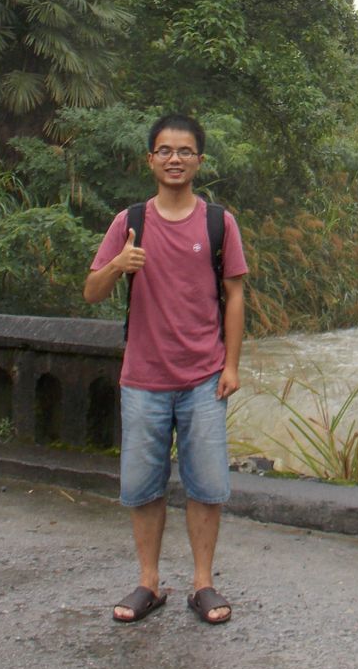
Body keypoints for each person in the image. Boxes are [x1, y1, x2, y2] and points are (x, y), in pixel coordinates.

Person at [84, 113, 246, 625]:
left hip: (204, 378)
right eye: (165, 150)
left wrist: (231, 365)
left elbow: (235, 295)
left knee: (207, 486)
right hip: (143, 379)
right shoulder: (129, 221)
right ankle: (148, 584)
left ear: (200, 160)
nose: (175, 159)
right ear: (150, 159)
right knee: (142, 486)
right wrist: (119, 265)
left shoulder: (218, 222)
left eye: (185, 151)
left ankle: (203, 584)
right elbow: (91, 291)